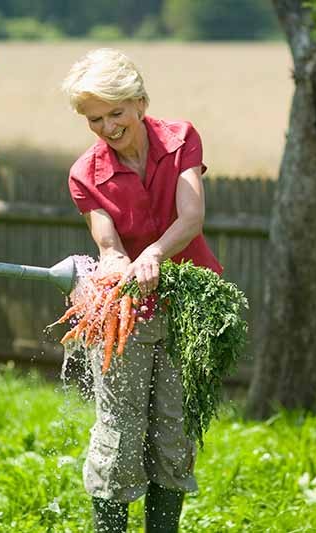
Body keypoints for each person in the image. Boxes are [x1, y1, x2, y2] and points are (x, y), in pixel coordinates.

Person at [60, 48, 223, 533]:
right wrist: (115, 260)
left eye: (116, 112)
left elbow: (191, 217)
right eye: (95, 119)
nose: (108, 127)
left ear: (139, 102)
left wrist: (153, 253)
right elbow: (107, 243)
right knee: (120, 434)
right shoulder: (85, 175)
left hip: (186, 305)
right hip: (125, 311)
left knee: (173, 434)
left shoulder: (180, 139)